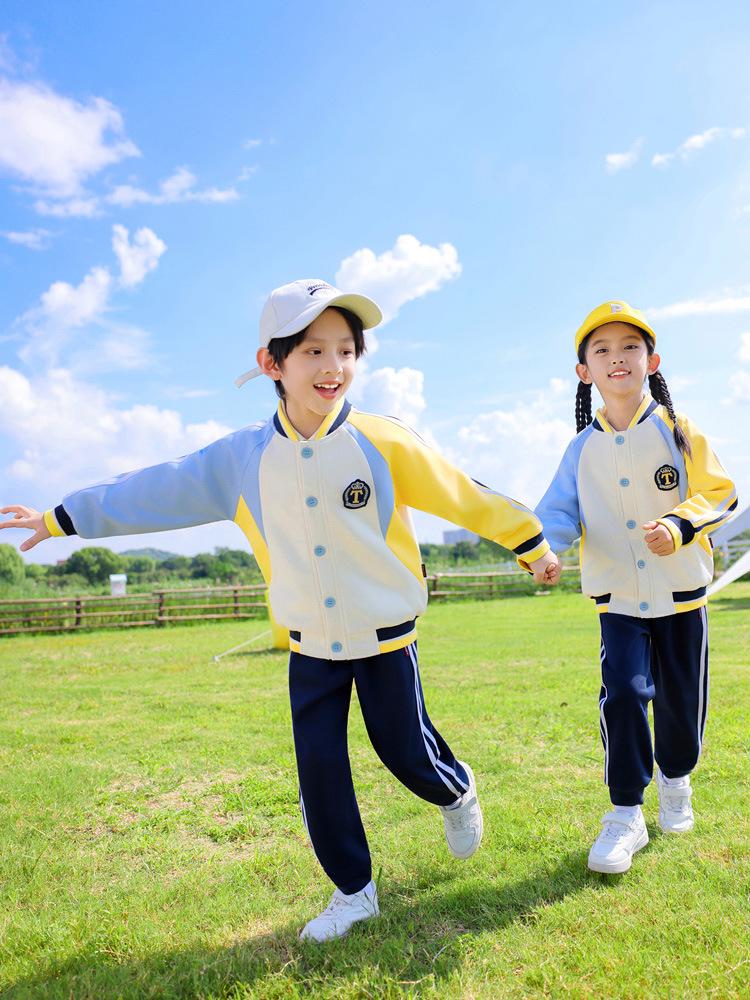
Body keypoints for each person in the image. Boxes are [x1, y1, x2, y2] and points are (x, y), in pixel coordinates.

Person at [1, 278, 559, 940]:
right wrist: (60, 518)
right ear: (273, 363)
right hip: (309, 645)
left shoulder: (384, 441)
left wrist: (531, 545)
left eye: (347, 351)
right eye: (314, 352)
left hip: (385, 637)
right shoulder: (241, 460)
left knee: (406, 752)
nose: (334, 368)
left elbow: (464, 494)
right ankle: (353, 893)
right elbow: (153, 489)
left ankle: (455, 790)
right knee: (320, 773)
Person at [534, 300, 737, 874]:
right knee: (622, 694)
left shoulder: (679, 430)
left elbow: (720, 493)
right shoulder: (580, 449)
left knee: (681, 703)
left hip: (681, 595)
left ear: (652, 360)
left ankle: (676, 779)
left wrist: (679, 525)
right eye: (602, 350)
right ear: (584, 372)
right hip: (617, 600)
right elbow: (557, 512)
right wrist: (545, 551)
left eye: (629, 347)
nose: (616, 358)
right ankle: (625, 812)